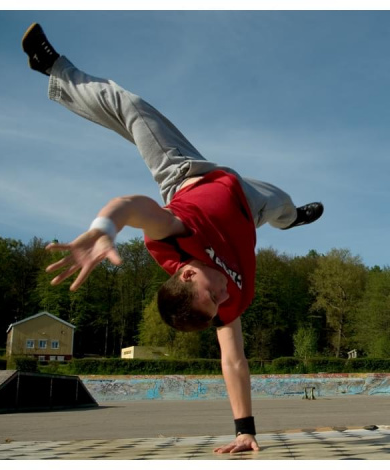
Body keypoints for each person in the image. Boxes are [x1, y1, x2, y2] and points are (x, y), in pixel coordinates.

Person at [22, 23, 324, 453]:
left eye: (211, 293)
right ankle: (289, 219)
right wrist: (245, 428)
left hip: (189, 174)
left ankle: (53, 67)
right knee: (284, 203)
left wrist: (103, 229)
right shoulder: (227, 304)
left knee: (132, 107)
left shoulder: (170, 241)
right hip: (251, 204)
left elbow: (130, 206)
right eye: (219, 302)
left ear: (185, 274)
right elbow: (233, 360)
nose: (223, 294)